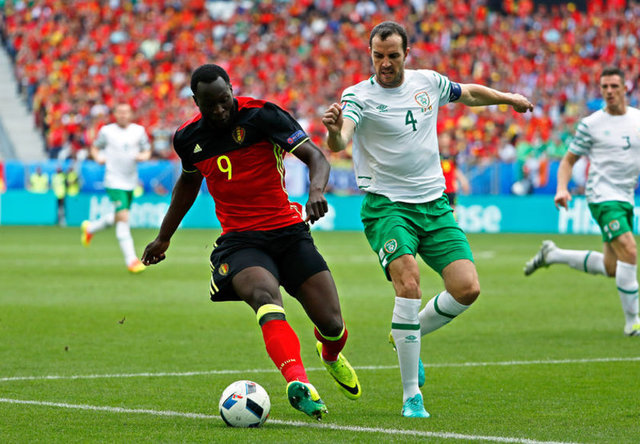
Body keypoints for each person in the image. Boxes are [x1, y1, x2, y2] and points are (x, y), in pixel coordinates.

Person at [322, 21, 533, 418]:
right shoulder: (358, 96)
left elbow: (468, 93)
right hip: (387, 206)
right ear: (371, 55)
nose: (385, 63)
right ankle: (411, 395)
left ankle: (407, 332)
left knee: (467, 288)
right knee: (409, 282)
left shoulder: (428, 82)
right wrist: (334, 133)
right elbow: (342, 138)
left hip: (434, 205)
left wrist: (508, 98)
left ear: (407, 54)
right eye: (378, 56)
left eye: (393, 56)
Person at [141, 64, 361, 420]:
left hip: (288, 233)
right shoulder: (188, 138)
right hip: (240, 241)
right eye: (209, 104)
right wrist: (163, 237)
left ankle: (330, 354)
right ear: (196, 101)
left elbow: (315, 157)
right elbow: (188, 184)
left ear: (232, 89)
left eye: (224, 100)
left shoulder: (263, 116)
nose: (219, 110)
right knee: (264, 297)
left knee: (332, 324)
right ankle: (299, 383)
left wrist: (316, 192)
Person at [524, 67, 640, 337]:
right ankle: (633, 322)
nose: (609, 91)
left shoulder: (637, 120)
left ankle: (554, 255)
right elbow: (568, 161)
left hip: (625, 197)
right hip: (602, 196)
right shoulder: (592, 124)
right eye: (604, 87)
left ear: (625, 89)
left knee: (613, 267)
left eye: (614, 86)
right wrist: (561, 188)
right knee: (629, 250)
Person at [81, 103, 151, 273]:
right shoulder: (107, 131)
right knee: (123, 217)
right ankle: (131, 260)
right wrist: (97, 157)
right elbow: (95, 147)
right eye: (119, 112)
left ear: (131, 114)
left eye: (126, 112)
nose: (123, 115)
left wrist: (143, 156)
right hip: (113, 180)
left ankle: (90, 228)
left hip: (130, 181)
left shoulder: (138, 131)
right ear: (115, 114)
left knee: (120, 216)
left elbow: (147, 150)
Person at [439, 131, 470, 210]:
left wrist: (463, 181)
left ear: (450, 140)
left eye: (446, 137)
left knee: (453, 212)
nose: (444, 140)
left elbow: (455, 170)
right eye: (442, 137)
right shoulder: (436, 156)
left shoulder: (453, 156)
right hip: (439, 191)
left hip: (451, 190)